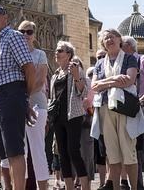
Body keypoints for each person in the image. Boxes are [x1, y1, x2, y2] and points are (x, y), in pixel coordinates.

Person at [0, 5, 37, 190]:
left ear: (5, 17)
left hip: (10, 95)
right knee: (6, 153)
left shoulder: (13, 36)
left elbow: (29, 68)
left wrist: (24, 98)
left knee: (15, 151)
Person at [90, 28, 144, 190]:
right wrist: (114, 79)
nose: (109, 40)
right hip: (105, 109)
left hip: (124, 108)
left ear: (119, 39)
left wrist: (105, 83)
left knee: (129, 152)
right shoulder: (100, 63)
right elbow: (94, 86)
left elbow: (129, 80)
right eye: (106, 38)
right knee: (112, 153)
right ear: (103, 43)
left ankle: (134, 188)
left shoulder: (129, 58)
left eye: (112, 37)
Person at [48, 41, 89, 190]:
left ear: (69, 54)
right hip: (58, 118)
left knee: (73, 151)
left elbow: (84, 92)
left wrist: (77, 76)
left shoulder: (75, 70)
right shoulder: (55, 75)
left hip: (73, 115)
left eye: (60, 51)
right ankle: (69, 187)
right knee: (62, 153)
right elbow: (53, 98)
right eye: (57, 50)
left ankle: (85, 186)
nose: (57, 53)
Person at [121, 36, 144, 190]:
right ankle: (137, 185)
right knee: (132, 149)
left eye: (121, 45)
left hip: (143, 107)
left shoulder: (143, 59)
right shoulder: (122, 63)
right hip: (128, 110)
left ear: (129, 46)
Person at [17, 20, 50, 190]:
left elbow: (40, 80)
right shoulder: (14, 55)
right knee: (19, 151)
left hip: (37, 104)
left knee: (37, 149)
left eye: (29, 32)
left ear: (34, 35)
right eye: (22, 32)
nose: (25, 35)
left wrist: (23, 96)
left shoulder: (40, 54)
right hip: (17, 105)